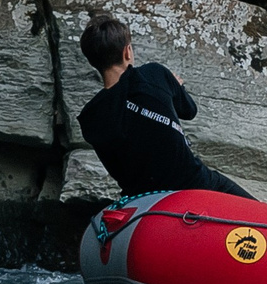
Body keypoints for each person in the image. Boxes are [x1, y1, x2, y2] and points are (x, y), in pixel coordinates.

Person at [74, 16, 252, 199]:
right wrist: (175, 85)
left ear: (93, 61)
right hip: (195, 185)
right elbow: (189, 110)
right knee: (259, 214)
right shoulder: (154, 74)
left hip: (143, 200)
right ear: (127, 52)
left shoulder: (91, 117)